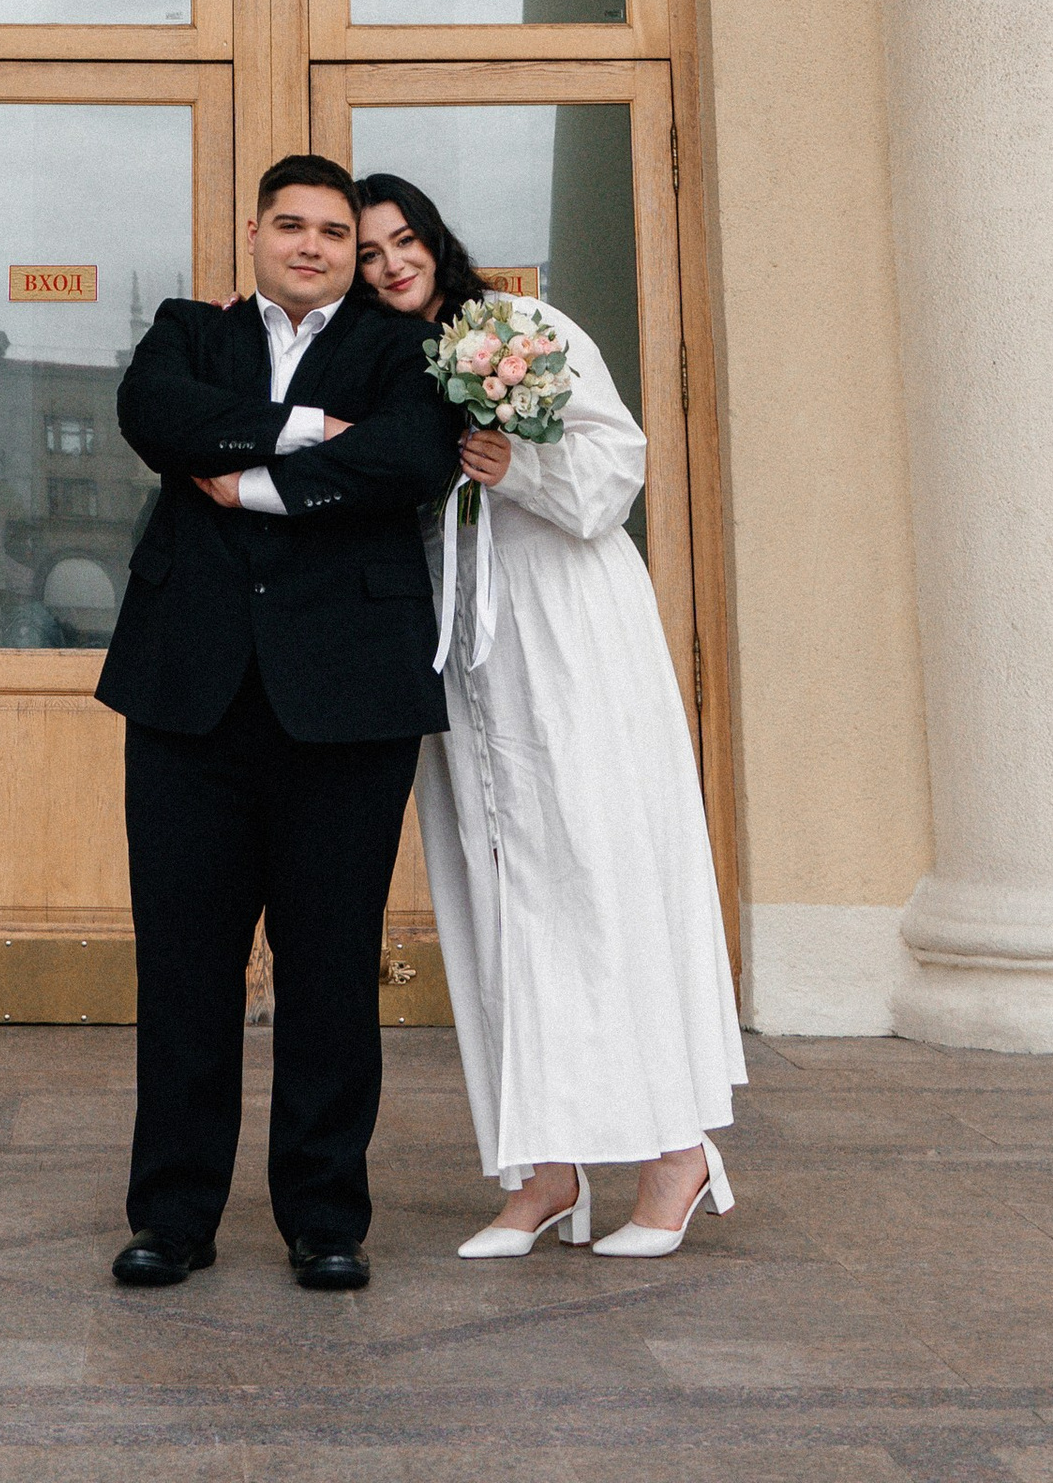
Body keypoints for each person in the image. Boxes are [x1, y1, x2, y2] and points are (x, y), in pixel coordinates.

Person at [354, 170, 745, 1260]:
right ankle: (542, 1168)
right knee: (496, 895)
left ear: (434, 237)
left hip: (567, 634)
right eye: (370, 252)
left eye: (402, 242)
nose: (390, 265)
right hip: (465, 654)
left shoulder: (517, 327)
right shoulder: (384, 365)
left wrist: (512, 464)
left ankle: (676, 1150)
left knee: (596, 871)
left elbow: (615, 468)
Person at [98, 152, 462, 1294]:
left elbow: (410, 455)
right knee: (185, 971)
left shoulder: (405, 348)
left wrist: (252, 476)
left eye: (333, 233)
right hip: (186, 699)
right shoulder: (183, 332)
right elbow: (158, 418)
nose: (311, 246)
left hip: (347, 706)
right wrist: (310, 428)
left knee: (331, 972)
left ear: (356, 251)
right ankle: (173, 1215)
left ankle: (323, 1216)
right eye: (290, 225)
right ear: (253, 232)